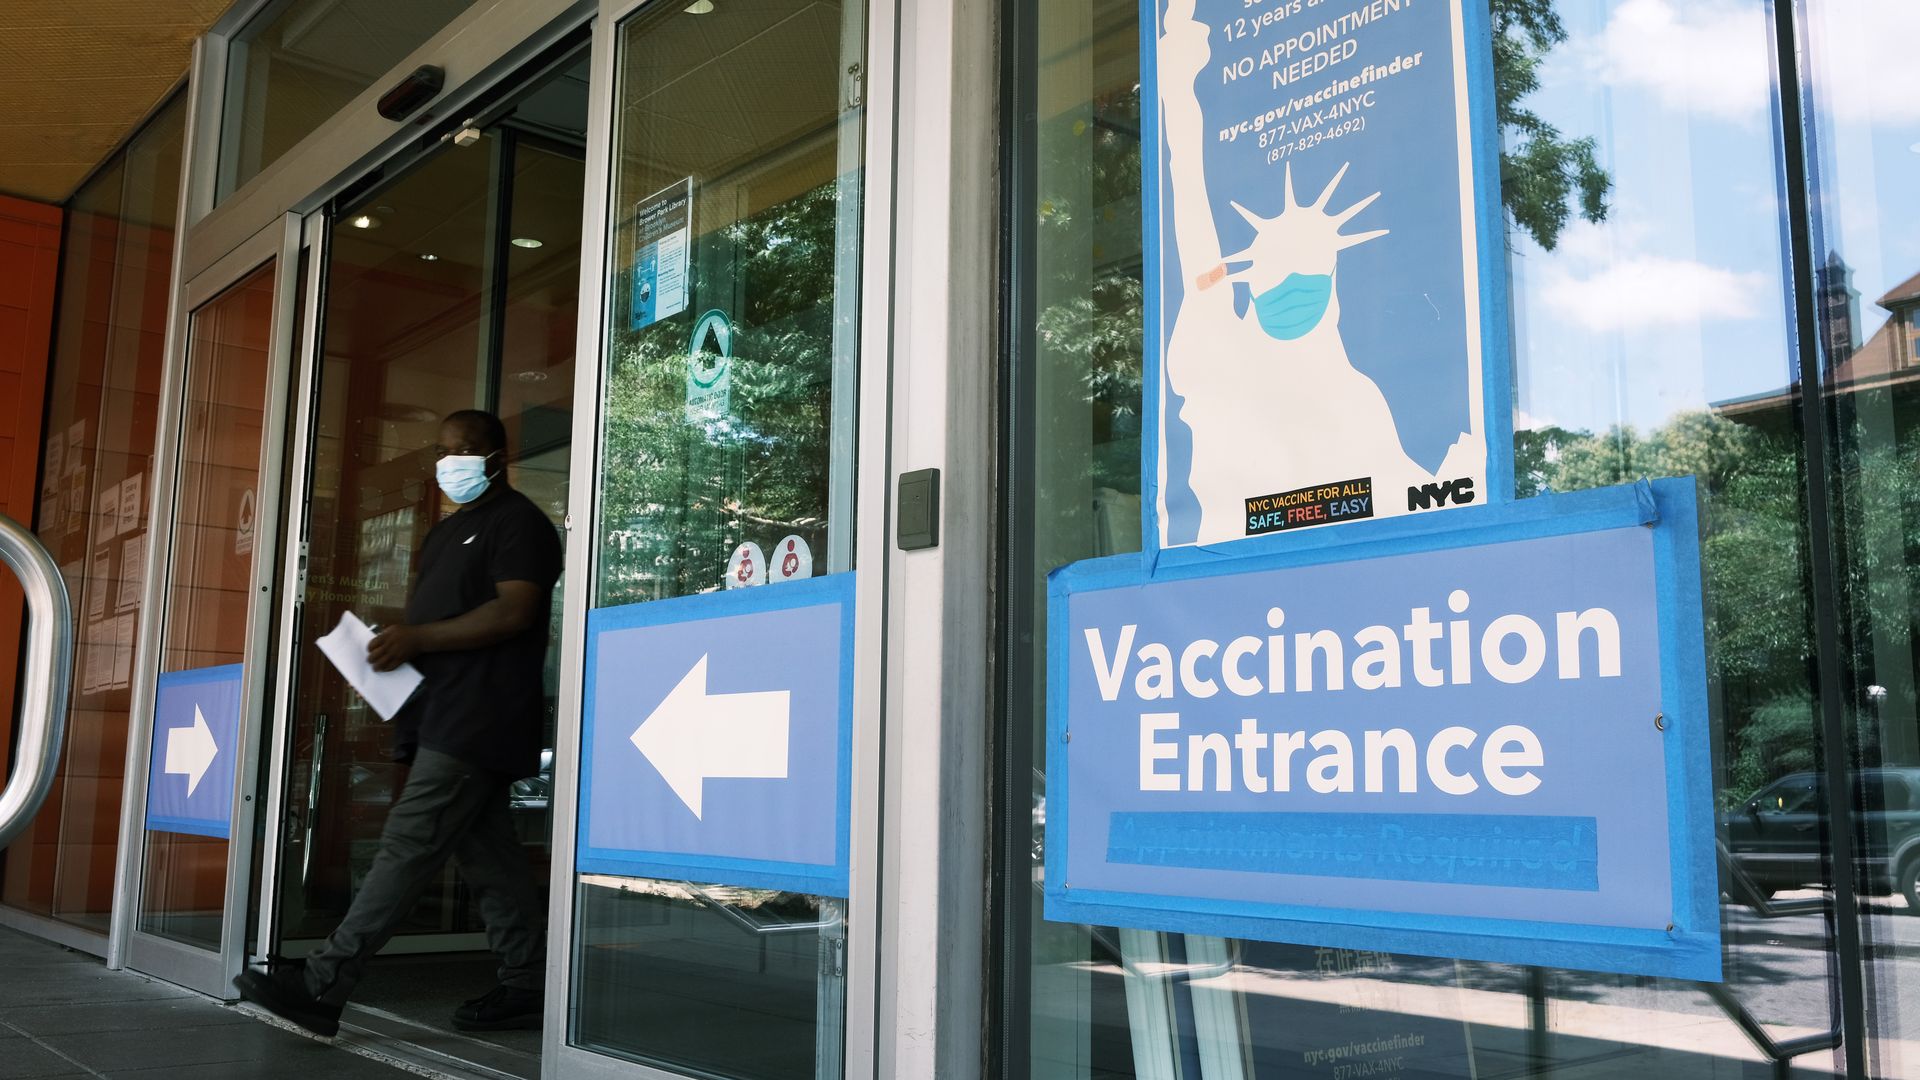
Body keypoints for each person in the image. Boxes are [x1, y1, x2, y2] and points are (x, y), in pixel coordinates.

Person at [237, 409, 563, 1038]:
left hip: (481, 716)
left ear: (496, 456)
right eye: (442, 451)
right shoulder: (446, 533)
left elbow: (515, 614)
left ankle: (324, 983)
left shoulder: (519, 523)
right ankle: (528, 983)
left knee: (406, 846)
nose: (451, 463)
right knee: (491, 857)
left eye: (464, 450)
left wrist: (416, 637)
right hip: (441, 713)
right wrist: (392, 642)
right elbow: (437, 623)